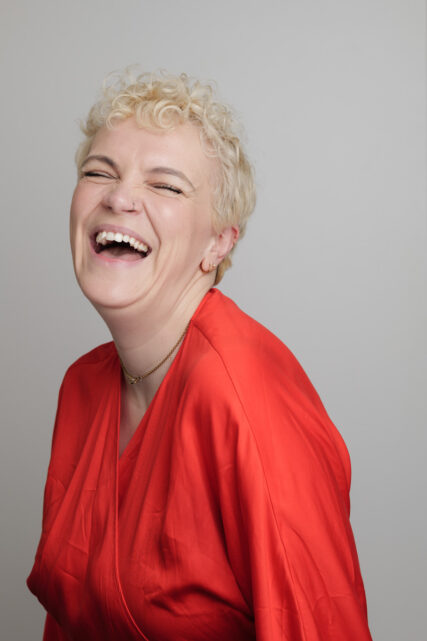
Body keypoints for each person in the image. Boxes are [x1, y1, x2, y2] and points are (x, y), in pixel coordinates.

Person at [27, 69, 373, 641]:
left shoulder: (246, 401)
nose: (119, 197)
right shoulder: (82, 387)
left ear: (219, 241)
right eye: (98, 172)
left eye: (166, 185)